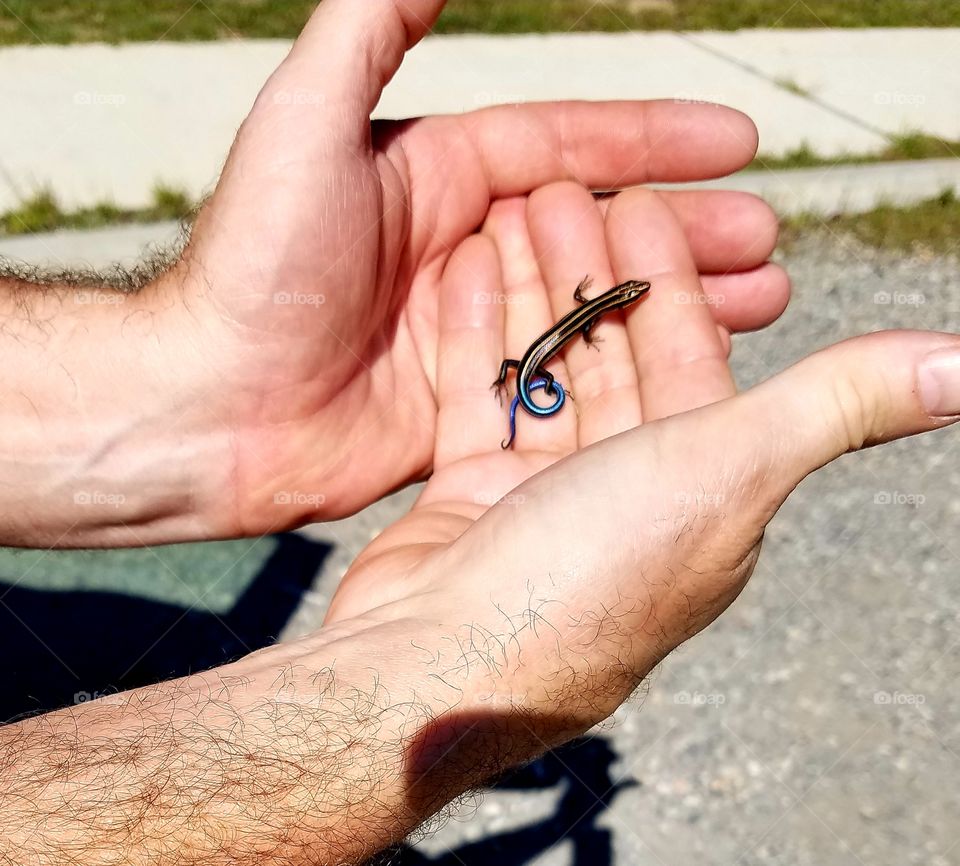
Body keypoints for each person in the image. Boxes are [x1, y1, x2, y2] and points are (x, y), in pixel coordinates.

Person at [1, 0, 956, 861]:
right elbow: (585, 315)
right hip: (529, 354)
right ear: (617, 300)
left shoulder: (595, 309)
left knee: (527, 376)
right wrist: (410, 673)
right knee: (527, 380)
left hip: (528, 352)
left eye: (620, 297)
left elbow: (583, 315)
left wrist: (168, 368)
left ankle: (510, 394)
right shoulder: (600, 310)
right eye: (622, 297)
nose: (622, 299)